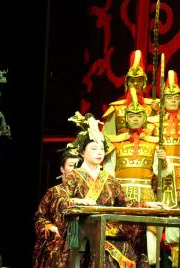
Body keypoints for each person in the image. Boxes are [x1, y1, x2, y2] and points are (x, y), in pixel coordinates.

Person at [61, 113, 144, 267]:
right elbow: (61, 200)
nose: (99, 152)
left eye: (101, 148)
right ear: (82, 152)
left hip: (107, 230)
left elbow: (125, 203)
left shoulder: (110, 180)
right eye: (94, 148)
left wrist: (147, 204)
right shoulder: (74, 176)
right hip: (81, 229)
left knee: (129, 248)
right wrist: (76, 201)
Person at [104, 89, 170, 263]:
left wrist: (164, 161)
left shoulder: (153, 143)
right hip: (122, 195)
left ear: (145, 118)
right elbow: (108, 173)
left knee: (149, 239)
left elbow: (162, 173)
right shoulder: (116, 142)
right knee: (121, 236)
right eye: (131, 115)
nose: (135, 119)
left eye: (139, 116)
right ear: (126, 118)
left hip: (145, 193)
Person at [147, 70, 180, 264]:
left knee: (176, 226)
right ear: (163, 100)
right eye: (169, 97)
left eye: (177, 97)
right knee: (155, 224)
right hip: (158, 175)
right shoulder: (153, 123)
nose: (173, 100)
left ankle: (177, 262)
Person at [33, 147, 81, 268]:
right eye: (71, 165)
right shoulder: (54, 192)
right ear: (62, 169)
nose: (75, 169)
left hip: (82, 242)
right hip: (59, 243)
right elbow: (40, 217)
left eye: (78, 166)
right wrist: (50, 227)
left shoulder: (86, 193)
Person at [102, 50, 157, 137]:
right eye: (132, 81)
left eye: (139, 80)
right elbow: (107, 137)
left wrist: (158, 112)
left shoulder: (153, 107)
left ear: (144, 83)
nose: (135, 84)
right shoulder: (116, 109)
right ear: (127, 83)